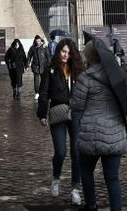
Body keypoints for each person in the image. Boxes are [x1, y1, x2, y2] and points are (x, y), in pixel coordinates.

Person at [72, 39, 127, 211]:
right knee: (112, 178)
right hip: (114, 134)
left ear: (89, 57)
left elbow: (76, 106)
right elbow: (126, 101)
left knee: (86, 172)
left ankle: (91, 205)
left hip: (91, 134)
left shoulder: (85, 78)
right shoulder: (117, 76)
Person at [37, 37, 84, 206]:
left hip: (76, 113)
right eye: (63, 52)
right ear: (59, 52)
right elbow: (43, 91)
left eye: (69, 53)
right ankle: (56, 178)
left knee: (76, 152)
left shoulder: (78, 69)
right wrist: (42, 113)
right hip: (58, 111)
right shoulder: (51, 68)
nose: (66, 55)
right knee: (61, 151)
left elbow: (86, 91)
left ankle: (75, 189)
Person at [27, 35, 48, 100]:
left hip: (43, 66)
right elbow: (29, 56)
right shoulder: (32, 48)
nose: (38, 42)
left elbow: (48, 57)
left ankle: (43, 92)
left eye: (39, 41)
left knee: (44, 80)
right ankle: (37, 93)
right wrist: (27, 65)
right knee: (36, 81)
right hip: (35, 66)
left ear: (41, 41)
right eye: (36, 41)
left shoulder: (44, 47)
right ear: (35, 41)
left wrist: (49, 65)